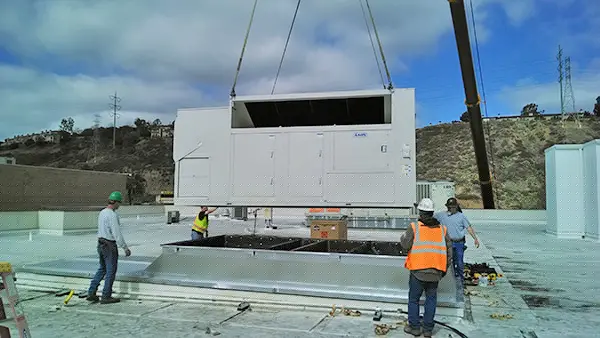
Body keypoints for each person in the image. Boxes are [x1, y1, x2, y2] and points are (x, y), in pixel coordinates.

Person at [401, 198, 452, 337]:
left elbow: (405, 245)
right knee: (431, 300)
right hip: (435, 272)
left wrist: (403, 237)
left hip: (418, 271)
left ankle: (415, 327)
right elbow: (449, 251)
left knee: (414, 299)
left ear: (421, 212)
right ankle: (428, 330)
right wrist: (444, 269)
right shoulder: (442, 229)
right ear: (432, 212)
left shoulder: (414, 227)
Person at [86, 191, 131, 304]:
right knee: (111, 271)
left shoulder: (102, 212)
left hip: (100, 243)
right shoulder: (112, 214)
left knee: (102, 268)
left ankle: (91, 292)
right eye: (119, 203)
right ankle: (106, 296)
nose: (119, 205)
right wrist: (125, 247)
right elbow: (116, 233)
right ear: (115, 202)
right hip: (109, 244)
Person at [434, 197, 480, 303]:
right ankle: (445, 281)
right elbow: (431, 220)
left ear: (456, 207)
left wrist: (475, 239)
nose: (452, 209)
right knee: (446, 263)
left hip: (458, 243)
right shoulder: (441, 215)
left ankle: (460, 282)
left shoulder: (461, 216)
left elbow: (468, 228)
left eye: (453, 207)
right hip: (447, 243)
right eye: (450, 207)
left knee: (459, 262)